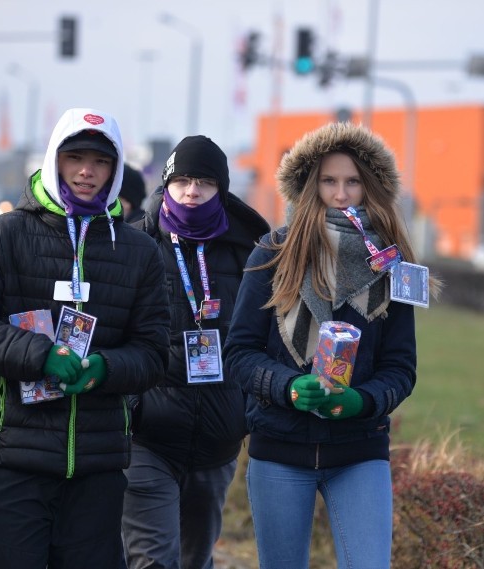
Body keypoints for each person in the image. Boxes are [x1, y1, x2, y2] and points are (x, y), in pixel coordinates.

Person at [0, 108, 171, 568]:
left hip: (98, 469)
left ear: (116, 169)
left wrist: (106, 368)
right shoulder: (5, 234)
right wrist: (38, 354)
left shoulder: (138, 251)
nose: (87, 171)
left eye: (101, 162)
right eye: (75, 157)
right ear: (54, 159)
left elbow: (153, 351)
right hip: (15, 463)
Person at [224, 122, 431, 568]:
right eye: (329, 181)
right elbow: (239, 353)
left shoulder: (391, 265)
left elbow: (401, 367)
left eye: (353, 181)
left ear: (370, 187)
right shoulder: (273, 252)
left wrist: (362, 401)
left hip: (360, 451)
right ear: (309, 185)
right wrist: (288, 388)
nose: (341, 194)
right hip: (279, 448)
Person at [121, 135, 269, 569]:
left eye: (203, 182)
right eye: (182, 180)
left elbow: (267, 336)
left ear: (220, 188)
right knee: (154, 559)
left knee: (195, 560)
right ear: (166, 184)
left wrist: (245, 411)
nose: (191, 191)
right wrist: (130, 407)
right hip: (149, 436)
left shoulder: (254, 251)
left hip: (218, 440)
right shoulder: (136, 243)